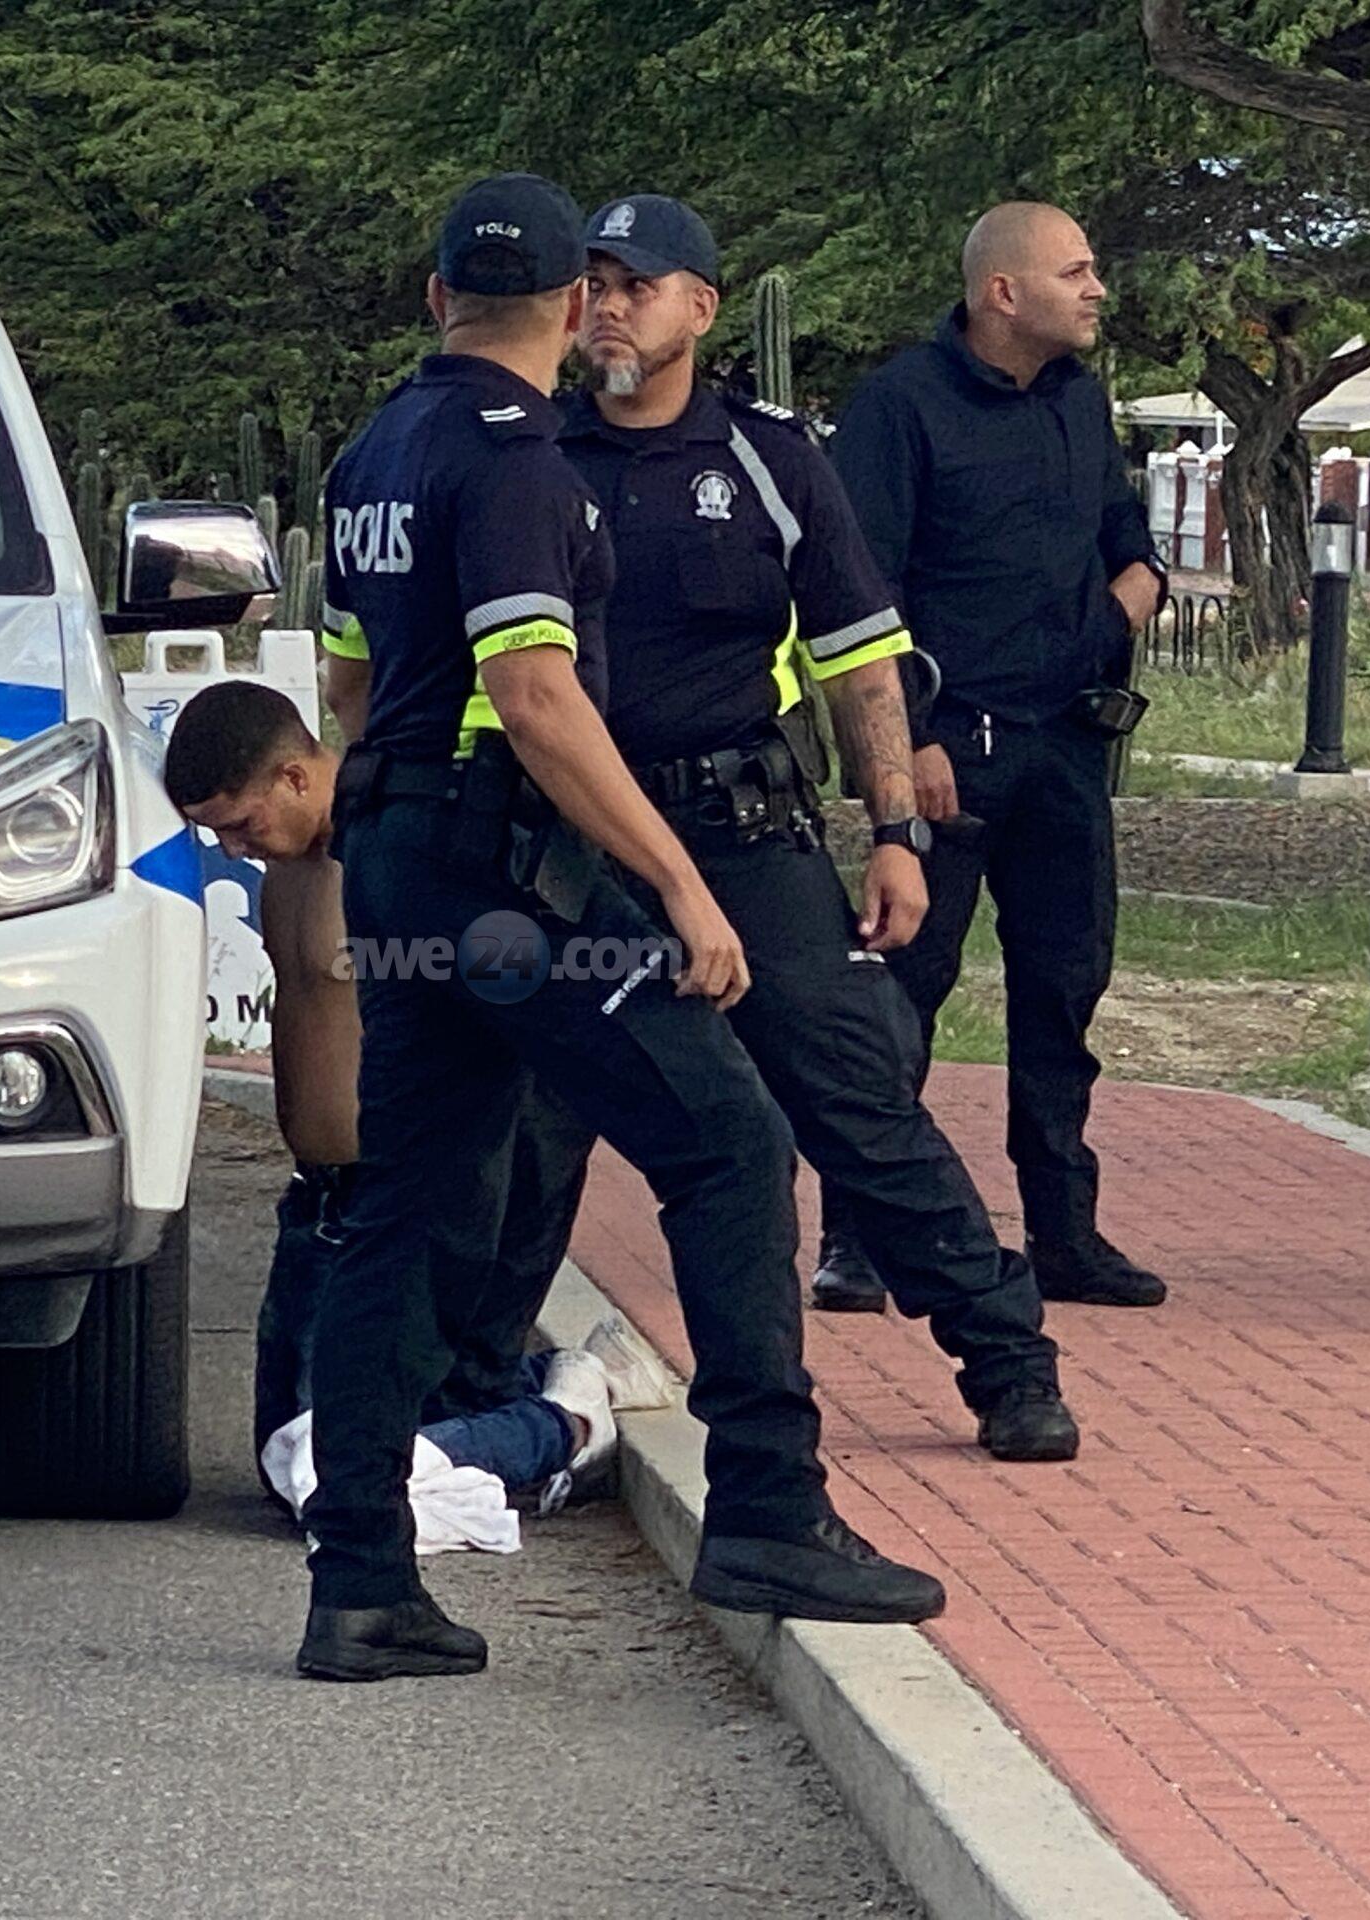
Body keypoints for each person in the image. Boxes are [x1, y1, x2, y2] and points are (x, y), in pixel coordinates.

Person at [292, 173, 943, 1682]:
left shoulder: (377, 448)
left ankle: (360, 1581)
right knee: (728, 1145)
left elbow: (348, 692)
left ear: (435, 295)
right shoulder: (517, 456)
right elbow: (534, 697)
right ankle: (768, 1507)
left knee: (402, 1209)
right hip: (509, 885)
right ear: (575, 305)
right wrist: (681, 885)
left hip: (400, 858)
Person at [431, 192, 1076, 1463]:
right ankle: (466, 1395)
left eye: (638, 285)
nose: (610, 307)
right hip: (577, 846)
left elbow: (859, 660)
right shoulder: (528, 454)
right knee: (535, 1124)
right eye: (594, 284)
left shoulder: (771, 461)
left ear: (701, 309)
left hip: (741, 830)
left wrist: (895, 832)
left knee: (859, 1101)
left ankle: (1007, 1361)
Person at [159, 677, 668, 1508]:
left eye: (242, 825)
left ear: (295, 777)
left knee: (337, 1472)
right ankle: (534, 1384)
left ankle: (571, 1414)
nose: (236, 850)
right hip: (319, 1205)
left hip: (399, 1201)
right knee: (286, 1464)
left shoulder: (399, 847)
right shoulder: (291, 862)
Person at [809, 202, 1168, 1314]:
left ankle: (1064, 1233)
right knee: (902, 995)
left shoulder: (1078, 399)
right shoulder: (900, 407)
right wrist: (907, 743)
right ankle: (860, 1236)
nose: (1097, 289)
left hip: (1066, 747)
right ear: (1002, 292)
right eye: (1076, 271)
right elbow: (860, 593)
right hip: (948, 748)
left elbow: (1128, 541)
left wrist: (1123, 606)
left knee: (1063, 990)